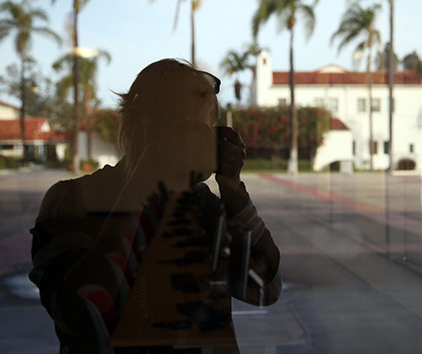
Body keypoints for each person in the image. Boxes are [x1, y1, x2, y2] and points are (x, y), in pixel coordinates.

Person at [29, 58, 282, 353]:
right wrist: (146, 179)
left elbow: (266, 290)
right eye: (178, 128)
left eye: (201, 130)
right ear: (138, 126)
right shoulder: (73, 200)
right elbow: (78, 314)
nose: (190, 141)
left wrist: (234, 190)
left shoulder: (204, 207)